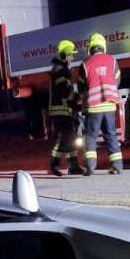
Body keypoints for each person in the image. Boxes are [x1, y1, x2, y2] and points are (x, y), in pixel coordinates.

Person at [78, 32, 123, 175]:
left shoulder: (85, 64)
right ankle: (117, 166)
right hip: (109, 105)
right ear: (103, 46)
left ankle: (90, 167)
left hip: (93, 107)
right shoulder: (113, 61)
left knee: (91, 136)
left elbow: (81, 87)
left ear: (90, 48)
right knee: (111, 135)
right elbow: (117, 80)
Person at [47, 39, 83, 176]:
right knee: (64, 139)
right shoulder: (60, 71)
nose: (72, 58)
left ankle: (73, 166)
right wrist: (75, 99)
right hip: (61, 110)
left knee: (69, 138)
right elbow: (63, 91)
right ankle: (54, 164)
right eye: (70, 55)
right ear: (64, 56)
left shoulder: (61, 69)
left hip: (62, 109)